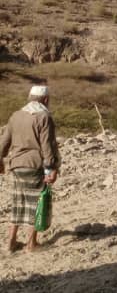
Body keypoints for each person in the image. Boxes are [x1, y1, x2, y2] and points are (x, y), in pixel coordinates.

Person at [0, 85, 61, 254]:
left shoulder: (16, 115)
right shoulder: (44, 117)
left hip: (16, 165)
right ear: (46, 99)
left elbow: (4, 141)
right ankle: (31, 244)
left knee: (18, 203)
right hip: (34, 165)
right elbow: (47, 146)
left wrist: (0, 160)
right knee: (36, 204)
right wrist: (51, 168)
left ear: (30, 97)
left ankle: (10, 243)